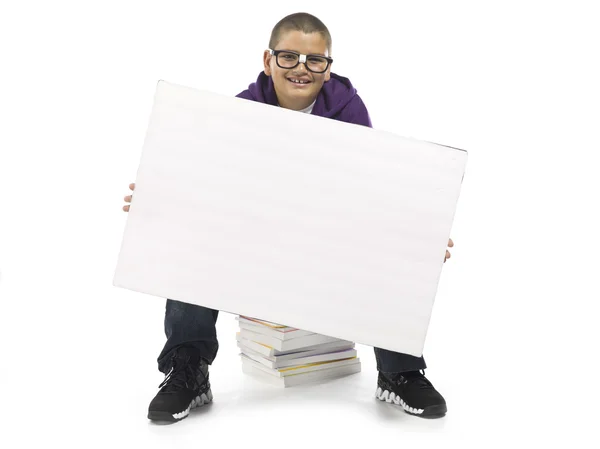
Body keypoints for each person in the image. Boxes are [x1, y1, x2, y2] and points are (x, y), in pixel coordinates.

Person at [123, 12, 454, 422]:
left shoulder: (349, 110)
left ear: (328, 69)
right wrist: (162, 199)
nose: (302, 68)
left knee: (393, 244)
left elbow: (372, 194)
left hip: (325, 245)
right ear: (268, 61)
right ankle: (189, 369)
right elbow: (207, 184)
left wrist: (421, 233)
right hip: (253, 242)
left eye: (315, 60)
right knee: (195, 235)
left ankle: (399, 372)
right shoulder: (238, 112)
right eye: (289, 57)